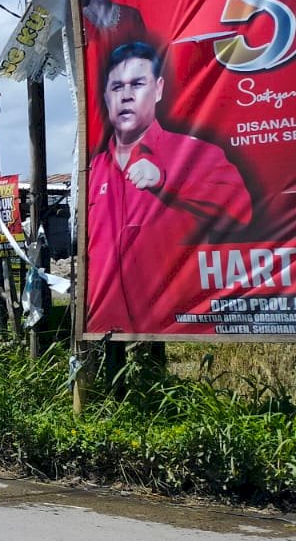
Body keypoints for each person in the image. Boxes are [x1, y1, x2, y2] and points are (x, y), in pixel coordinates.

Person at [85, 41, 252, 334]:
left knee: (153, 372)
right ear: (105, 96)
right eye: (116, 87)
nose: (125, 96)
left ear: (158, 88)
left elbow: (241, 210)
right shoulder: (93, 169)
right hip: (105, 325)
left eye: (137, 84)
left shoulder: (193, 152)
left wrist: (167, 180)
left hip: (176, 321)